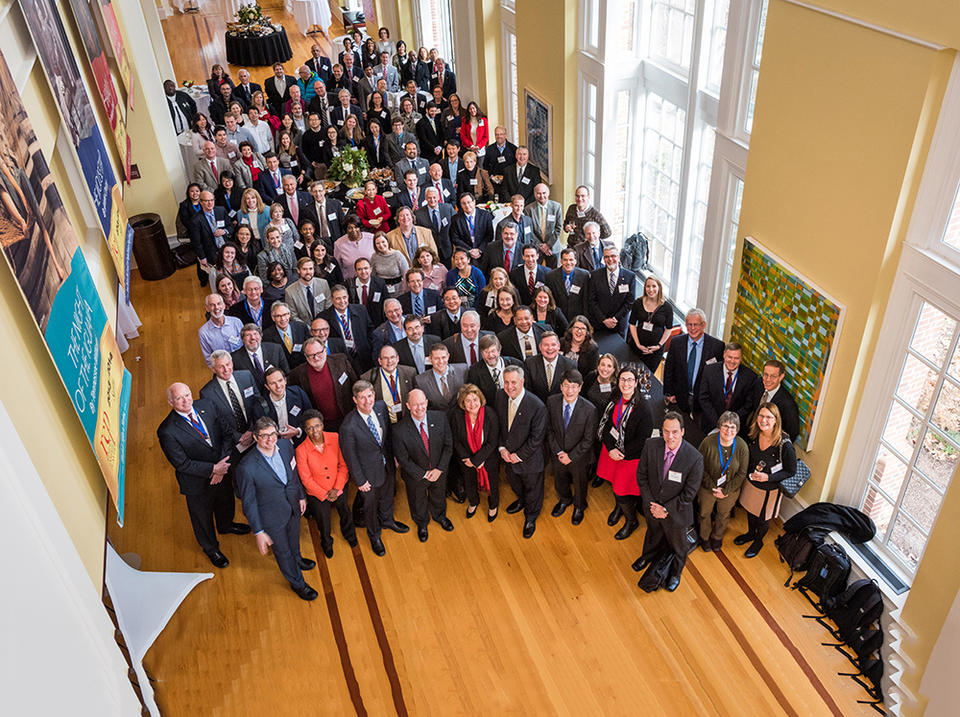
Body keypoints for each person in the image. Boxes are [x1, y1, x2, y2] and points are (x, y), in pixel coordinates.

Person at [157, 382, 248, 568]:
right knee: (202, 517)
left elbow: (226, 433)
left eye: (187, 395)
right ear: (170, 402)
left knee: (225, 500)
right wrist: (213, 469)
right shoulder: (167, 431)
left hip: (222, 468)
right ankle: (211, 548)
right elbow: (182, 463)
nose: (186, 401)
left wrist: (222, 465)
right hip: (197, 482)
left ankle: (226, 525)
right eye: (179, 398)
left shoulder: (207, 405)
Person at [235, 417, 317, 600]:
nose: (270, 439)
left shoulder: (286, 446)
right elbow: (248, 503)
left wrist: (301, 496)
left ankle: (298, 560)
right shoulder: (246, 468)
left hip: (293, 506)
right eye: (264, 436)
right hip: (271, 518)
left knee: (294, 541)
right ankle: (298, 583)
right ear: (255, 438)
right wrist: (258, 532)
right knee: (283, 551)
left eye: (273, 434)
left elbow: (294, 473)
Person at [631, 412, 704, 592]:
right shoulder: (651, 445)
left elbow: (689, 493)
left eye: (674, 432)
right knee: (653, 534)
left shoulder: (694, 458)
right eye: (666, 431)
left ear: (682, 432)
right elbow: (642, 476)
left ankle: (675, 574)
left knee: (679, 547)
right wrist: (651, 504)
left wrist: (665, 510)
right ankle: (646, 556)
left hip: (677, 513)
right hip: (652, 506)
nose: (670, 436)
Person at [340, 380, 410, 556]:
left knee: (388, 495)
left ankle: (387, 520)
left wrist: (393, 456)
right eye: (362, 398)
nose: (367, 401)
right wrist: (360, 480)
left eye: (369, 396)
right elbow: (351, 457)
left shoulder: (380, 407)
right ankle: (374, 535)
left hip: (387, 464)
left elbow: (386, 438)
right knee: (370, 507)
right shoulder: (348, 426)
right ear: (355, 400)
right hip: (367, 475)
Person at [596, 365, 655, 540]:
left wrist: (620, 452)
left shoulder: (644, 408)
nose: (626, 383)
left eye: (630, 380)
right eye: (623, 379)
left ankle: (631, 521)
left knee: (622, 491)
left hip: (629, 458)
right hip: (613, 451)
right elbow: (607, 425)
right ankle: (619, 508)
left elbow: (643, 440)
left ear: (636, 383)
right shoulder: (615, 397)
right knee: (615, 486)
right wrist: (611, 448)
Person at [392, 388, 454, 542]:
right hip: (416, 475)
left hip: (438, 471)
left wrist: (439, 469)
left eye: (422, 403)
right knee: (417, 500)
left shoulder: (440, 418)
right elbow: (403, 458)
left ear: (426, 402)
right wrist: (423, 474)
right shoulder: (399, 430)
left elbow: (448, 446)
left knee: (438, 496)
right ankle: (422, 523)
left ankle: (440, 516)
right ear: (407, 406)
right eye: (414, 405)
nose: (419, 408)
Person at [736, 403, 797, 558]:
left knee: (763, 517)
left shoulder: (785, 444)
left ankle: (758, 541)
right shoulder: (754, 435)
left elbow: (791, 471)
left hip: (770, 488)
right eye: (761, 416)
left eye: (768, 417)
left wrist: (768, 477)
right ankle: (750, 533)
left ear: (776, 420)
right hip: (752, 482)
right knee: (750, 509)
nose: (764, 420)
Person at [296, 410, 358, 558]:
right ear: (305, 430)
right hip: (318, 493)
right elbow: (306, 479)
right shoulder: (301, 450)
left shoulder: (335, 438)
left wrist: (337, 489)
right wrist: (324, 494)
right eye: (310, 428)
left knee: (345, 512)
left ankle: (350, 534)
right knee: (323, 521)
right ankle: (326, 542)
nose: (314, 430)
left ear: (323, 425)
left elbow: (343, 466)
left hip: (339, 486)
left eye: (317, 426)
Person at [496, 365, 547, 539]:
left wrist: (518, 456)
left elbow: (536, 438)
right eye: (507, 382)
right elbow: (500, 426)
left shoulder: (537, 406)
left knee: (533, 490)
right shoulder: (500, 397)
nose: (510, 386)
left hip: (530, 460)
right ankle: (521, 501)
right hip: (508, 457)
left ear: (522, 381)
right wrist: (502, 448)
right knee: (516, 484)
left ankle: (531, 517)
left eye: (514, 382)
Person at [662, 308, 726, 441]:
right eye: (689, 324)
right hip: (680, 395)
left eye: (696, 324)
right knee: (678, 427)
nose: (692, 328)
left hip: (703, 399)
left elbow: (718, 378)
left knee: (698, 432)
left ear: (703, 325)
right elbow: (669, 369)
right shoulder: (676, 342)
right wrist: (669, 392)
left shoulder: (717, 347)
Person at [546, 370, 599, 525]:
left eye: (574, 386)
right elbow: (549, 430)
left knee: (580, 483)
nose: (570, 391)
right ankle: (564, 499)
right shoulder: (551, 402)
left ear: (580, 387)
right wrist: (558, 451)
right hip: (558, 453)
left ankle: (579, 506)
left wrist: (570, 456)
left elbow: (588, 439)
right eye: (566, 386)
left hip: (579, 457)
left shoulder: (590, 409)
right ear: (561, 387)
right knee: (560, 479)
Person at [697, 412, 750, 552]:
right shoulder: (708, 442)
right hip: (708, 487)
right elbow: (699, 466)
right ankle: (704, 536)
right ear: (719, 426)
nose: (728, 430)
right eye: (725, 426)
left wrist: (725, 491)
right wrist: (713, 487)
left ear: (737, 430)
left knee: (723, 514)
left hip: (730, 489)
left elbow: (742, 473)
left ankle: (717, 536)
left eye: (732, 427)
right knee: (704, 513)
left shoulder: (742, 447)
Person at [451, 384, 500, 521]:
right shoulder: (457, 415)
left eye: (475, 399)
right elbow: (455, 440)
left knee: (493, 482)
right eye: (468, 400)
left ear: (481, 400)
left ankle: (493, 505)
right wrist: (468, 459)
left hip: (488, 457)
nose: (472, 404)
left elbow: (492, 441)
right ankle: (473, 502)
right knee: (469, 481)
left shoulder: (490, 414)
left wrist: (478, 459)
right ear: (463, 403)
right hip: (466, 457)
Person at [288, 337, 356, 430]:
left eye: (318, 353)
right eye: (311, 355)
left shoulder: (340, 361)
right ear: (305, 356)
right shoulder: (297, 374)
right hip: (322, 425)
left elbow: (355, 385)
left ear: (325, 350)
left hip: (349, 418)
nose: (316, 358)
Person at [697, 341, 761, 435]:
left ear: (741, 359)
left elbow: (748, 405)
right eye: (729, 357)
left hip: (735, 427)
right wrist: (718, 423)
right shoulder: (709, 370)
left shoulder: (750, 377)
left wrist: (731, 423)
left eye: (736, 358)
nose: (732, 361)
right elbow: (703, 398)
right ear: (724, 355)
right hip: (711, 423)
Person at [587, 243, 637, 339]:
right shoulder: (595, 275)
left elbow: (630, 302)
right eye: (607, 257)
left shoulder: (630, 276)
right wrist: (604, 319)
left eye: (613, 256)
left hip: (619, 323)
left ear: (618, 258)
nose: (610, 259)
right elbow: (592, 300)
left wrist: (615, 318)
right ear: (603, 259)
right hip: (600, 323)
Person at [320, 284, 375, 370]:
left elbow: (370, 331)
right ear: (332, 300)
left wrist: (367, 347)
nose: (342, 301)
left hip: (363, 357)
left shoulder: (361, 310)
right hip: (341, 361)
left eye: (344, 297)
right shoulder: (324, 317)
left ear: (348, 297)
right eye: (338, 298)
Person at [251, 366, 312, 443]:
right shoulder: (259, 406)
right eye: (273, 383)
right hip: (276, 445)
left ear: (285, 380)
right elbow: (261, 432)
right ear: (267, 387)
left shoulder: (298, 393)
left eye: (280, 380)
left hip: (301, 440)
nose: (278, 386)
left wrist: (298, 431)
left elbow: (311, 417)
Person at [361, 344, 417, 422]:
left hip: (407, 421)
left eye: (392, 357)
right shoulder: (367, 378)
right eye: (385, 358)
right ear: (380, 361)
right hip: (386, 424)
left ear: (397, 359)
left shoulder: (410, 373)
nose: (389, 361)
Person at [629, 275, 674, 373]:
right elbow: (632, 324)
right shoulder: (638, 303)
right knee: (632, 372)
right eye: (648, 286)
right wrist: (637, 344)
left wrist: (658, 345)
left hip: (655, 350)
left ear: (659, 288)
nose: (650, 289)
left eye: (654, 286)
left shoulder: (667, 307)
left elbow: (668, 328)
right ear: (645, 288)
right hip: (637, 347)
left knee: (648, 375)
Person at [230, 323, 290, 395]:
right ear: (243, 339)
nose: (253, 338)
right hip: (254, 399)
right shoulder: (235, 358)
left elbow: (286, 373)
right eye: (248, 335)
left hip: (278, 394)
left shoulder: (276, 349)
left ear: (261, 337)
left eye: (255, 334)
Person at [466, 334, 524, 405]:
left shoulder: (516, 364)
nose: (490, 355)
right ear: (481, 353)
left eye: (493, 351)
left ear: (499, 350)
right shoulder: (474, 371)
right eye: (486, 352)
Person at [189, 191, 235, 280]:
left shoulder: (221, 210)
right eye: (206, 201)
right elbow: (196, 242)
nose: (210, 203)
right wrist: (202, 257)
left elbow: (230, 226)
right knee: (218, 275)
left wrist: (224, 231)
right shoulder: (195, 220)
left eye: (211, 200)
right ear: (201, 202)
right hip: (211, 251)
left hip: (226, 247)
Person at [751, 359, 800, 442]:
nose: (768, 379)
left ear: (781, 377)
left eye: (773, 376)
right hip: (752, 435)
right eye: (766, 375)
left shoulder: (788, 404)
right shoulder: (759, 385)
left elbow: (791, 433)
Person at [524, 331, 575, 402]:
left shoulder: (570, 365)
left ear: (559, 346)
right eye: (546, 345)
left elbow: (572, 391)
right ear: (540, 347)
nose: (550, 348)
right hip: (537, 407)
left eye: (553, 345)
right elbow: (527, 391)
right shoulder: (529, 363)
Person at [416, 342, 466, 411]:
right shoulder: (421, 380)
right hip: (438, 419)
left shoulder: (463, 370)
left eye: (443, 357)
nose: (441, 361)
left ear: (448, 356)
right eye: (436, 358)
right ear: (430, 359)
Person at [284, 256, 332, 324]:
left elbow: (329, 307)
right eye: (304, 269)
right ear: (298, 270)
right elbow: (293, 316)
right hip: (304, 329)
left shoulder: (324, 284)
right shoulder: (289, 291)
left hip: (324, 325)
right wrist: (307, 328)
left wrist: (320, 324)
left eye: (310, 269)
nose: (308, 272)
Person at [199, 294, 243, 366]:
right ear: (207, 308)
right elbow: (208, 359)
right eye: (212, 305)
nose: (216, 307)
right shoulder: (203, 332)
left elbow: (245, 344)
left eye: (219, 304)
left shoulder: (236, 322)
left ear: (224, 305)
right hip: (221, 369)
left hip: (242, 364)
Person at [264, 301, 310, 368]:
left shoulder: (301, 327)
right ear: (273, 317)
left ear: (289, 315)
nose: (283, 319)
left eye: (285, 314)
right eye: (278, 316)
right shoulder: (266, 336)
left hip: (303, 368)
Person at [450, 192, 494, 260]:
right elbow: (455, 238)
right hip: (465, 252)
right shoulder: (455, 219)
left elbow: (489, 235)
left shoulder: (486, 215)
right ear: (461, 205)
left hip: (483, 251)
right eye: (463, 203)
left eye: (469, 202)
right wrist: (470, 250)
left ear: (474, 202)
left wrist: (479, 250)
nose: (467, 205)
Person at [333, 215, 375, 281]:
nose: (353, 230)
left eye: (356, 227)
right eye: (350, 228)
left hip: (372, 279)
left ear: (360, 227)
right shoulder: (339, 244)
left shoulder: (372, 238)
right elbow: (338, 267)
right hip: (351, 282)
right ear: (346, 229)